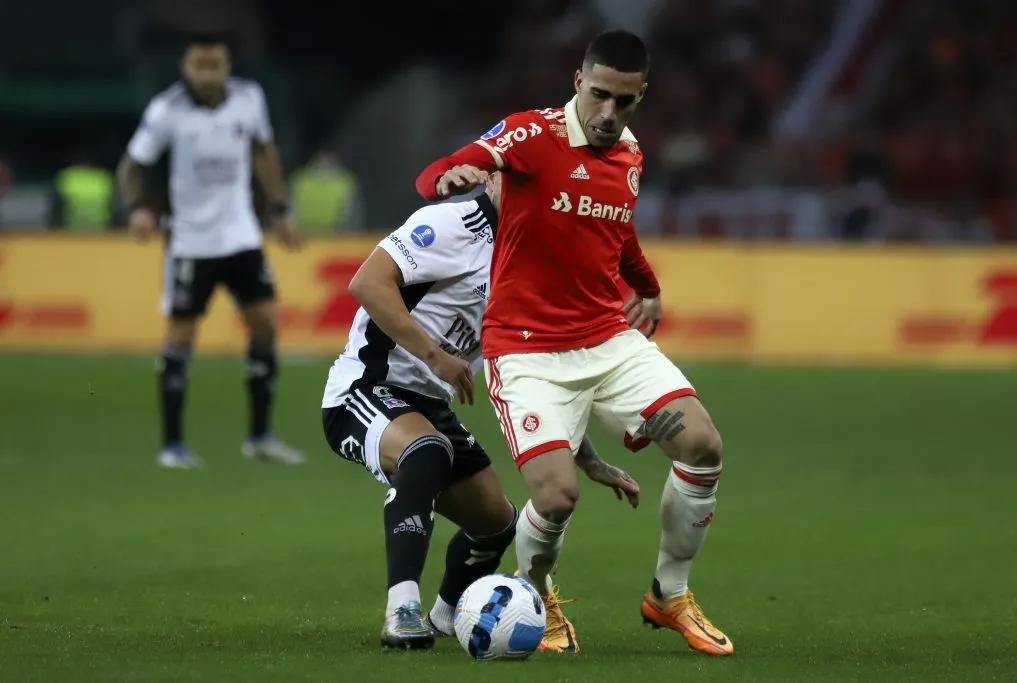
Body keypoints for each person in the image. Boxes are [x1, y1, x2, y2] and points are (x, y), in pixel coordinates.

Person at [415, 30, 733, 656]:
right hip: (526, 349)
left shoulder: (631, 153)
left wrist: (647, 286)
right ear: (578, 81)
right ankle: (534, 596)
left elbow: (617, 229)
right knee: (557, 497)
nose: (610, 114)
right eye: (599, 96)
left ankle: (669, 594)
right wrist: (457, 176)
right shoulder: (533, 135)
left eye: (625, 101)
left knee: (702, 444)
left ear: (641, 97)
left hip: (606, 337)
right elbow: (439, 172)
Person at [321, 172, 640, 650]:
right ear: (491, 180)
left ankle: (449, 618)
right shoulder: (454, 223)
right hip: (366, 387)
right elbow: (368, 282)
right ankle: (401, 610)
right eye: (514, 180)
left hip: (431, 404)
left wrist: (588, 459)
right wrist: (434, 355)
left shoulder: (530, 263)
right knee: (426, 453)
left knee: (496, 525)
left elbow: (531, 376)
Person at [116, 32, 305, 469]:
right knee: (181, 338)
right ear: (185, 66)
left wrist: (278, 211)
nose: (207, 73)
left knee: (265, 326)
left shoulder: (248, 98)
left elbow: (263, 152)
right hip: (190, 242)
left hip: (240, 236)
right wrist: (139, 209)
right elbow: (131, 167)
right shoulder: (167, 111)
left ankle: (259, 436)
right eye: (199, 65)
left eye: (215, 64)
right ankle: (172, 445)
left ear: (227, 65)